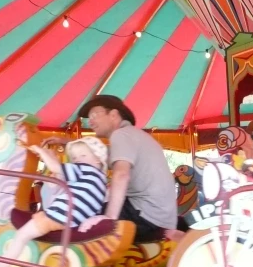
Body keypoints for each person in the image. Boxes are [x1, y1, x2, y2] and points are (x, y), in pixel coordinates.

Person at [0, 137, 108, 267]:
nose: (77, 160)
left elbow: (57, 168)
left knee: (21, 236)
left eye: (83, 156)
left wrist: (40, 151)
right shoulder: (101, 181)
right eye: (75, 157)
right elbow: (58, 185)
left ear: (99, 160)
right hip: (72, 220)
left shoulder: (85, 169)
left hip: (58, 216)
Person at [44, 95, 177, 243]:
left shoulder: (121, 135)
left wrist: (109, 218)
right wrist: (67, 143)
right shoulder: (135, 135)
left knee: (79, 210)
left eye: (95, 115)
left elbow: (121, 174)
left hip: (146, 216)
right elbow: (99, 154)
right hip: (162, 216)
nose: (90, 122)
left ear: (113, 115)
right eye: (88, 118)